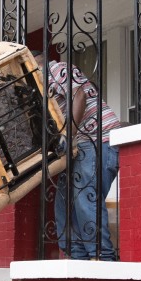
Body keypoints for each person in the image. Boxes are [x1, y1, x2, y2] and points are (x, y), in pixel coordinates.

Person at [35, 54, 121, 261]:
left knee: (85, 199)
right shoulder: (41, 85)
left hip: (99, 141)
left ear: (36, 61)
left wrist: (68, 135)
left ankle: (103, 259)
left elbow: (79, 95)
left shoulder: (55, 70)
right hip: (80, 147)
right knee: (64, 205)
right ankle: (78, 261)